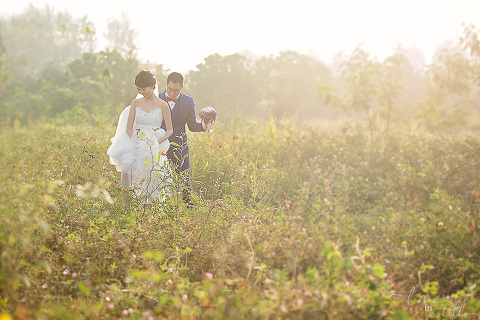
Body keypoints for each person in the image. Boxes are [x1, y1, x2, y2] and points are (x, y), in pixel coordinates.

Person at [107, 70, 173, 203]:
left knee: (153, 175)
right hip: (135, 141)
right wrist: (136, 140)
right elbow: (129, 128)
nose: (142, 92)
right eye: (139, 89)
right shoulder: (135, 103)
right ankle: (127, 204)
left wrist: (156, 142)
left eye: (144, 89)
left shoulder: (163, 105)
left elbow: (170, 130)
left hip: (155, 143)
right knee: (126, 171)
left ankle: (149, 206)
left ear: (153, 85)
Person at [159, 72, 213, 204]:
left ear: (182, 87)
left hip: (180, 146)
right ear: (166, 85)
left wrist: (205, 125)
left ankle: (188, 208)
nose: (172, 93)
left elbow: (192, 125)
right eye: (169, 89)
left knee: (185, 180)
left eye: (176, 90)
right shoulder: (157, 98)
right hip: (160, 145)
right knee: (159, 179)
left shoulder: (188, 101)